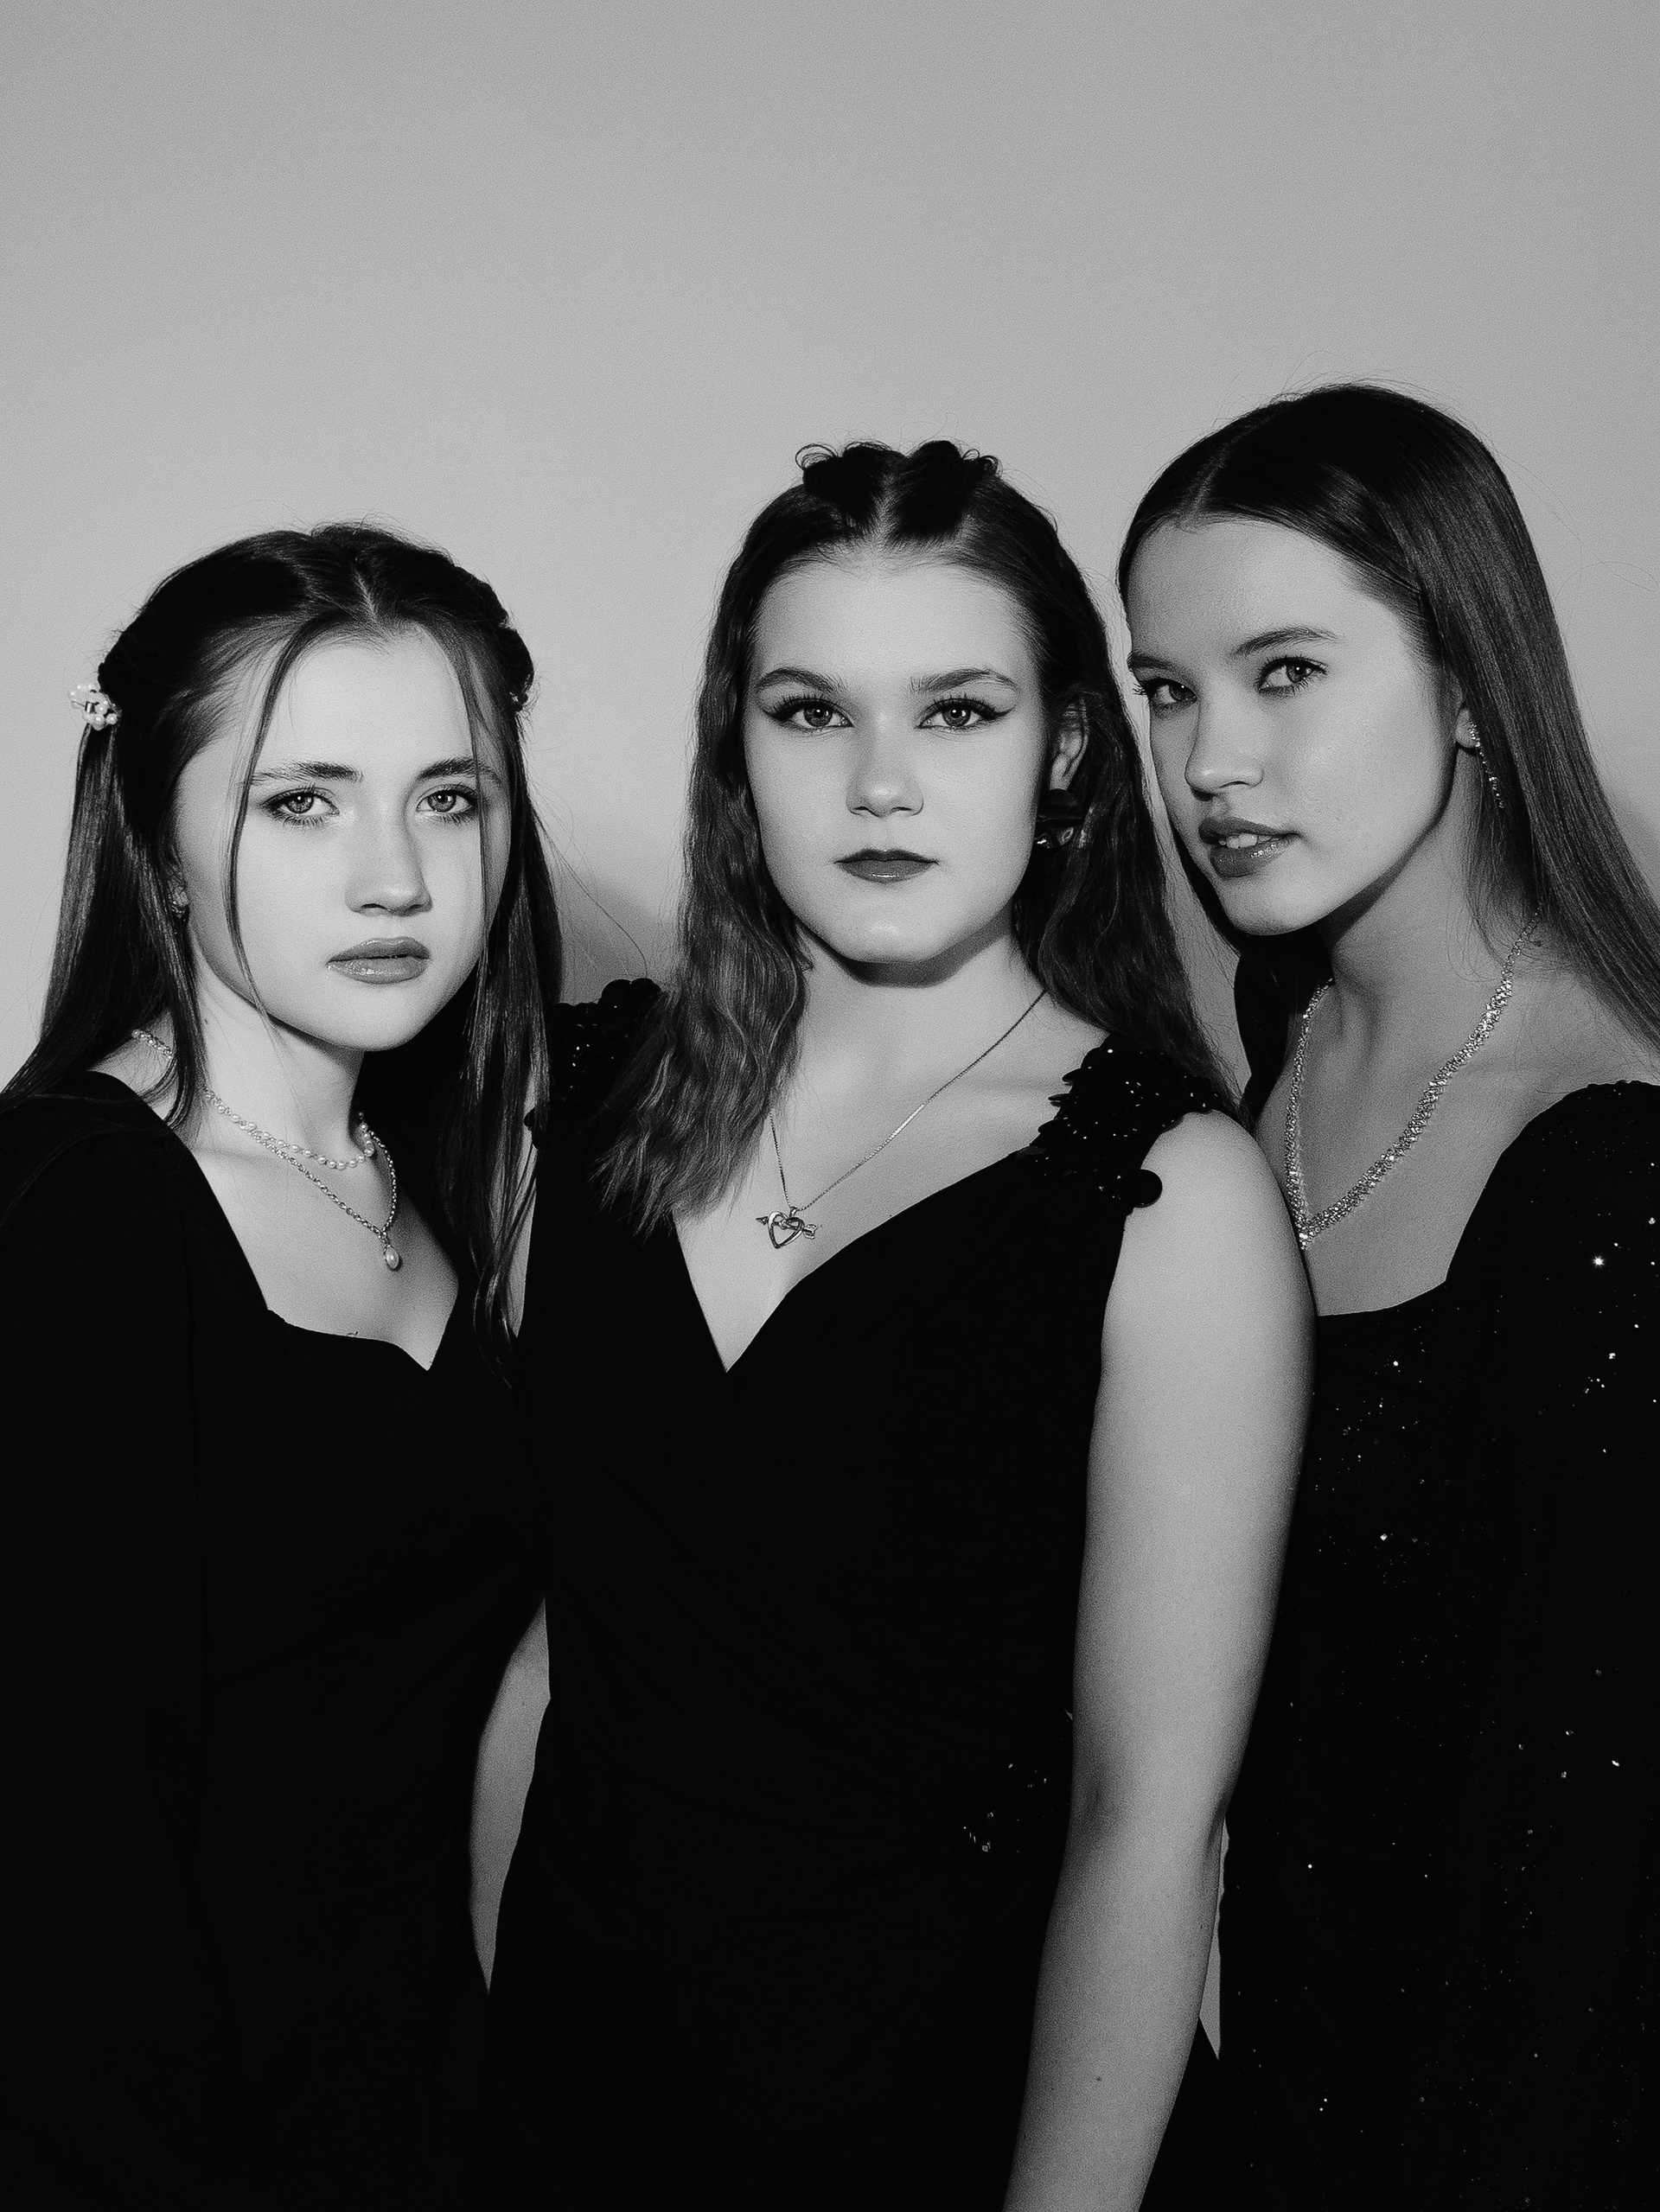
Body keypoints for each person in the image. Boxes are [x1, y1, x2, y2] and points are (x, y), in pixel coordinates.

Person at [486, 440, 1310, 2209]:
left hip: (937, 2123)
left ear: (1064, 749)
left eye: (956, 711)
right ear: (737, 749)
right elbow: (548, 1666)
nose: (879, 783)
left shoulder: (1166, 1198)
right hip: (567, 2110)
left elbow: (1149, 1823)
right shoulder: (590, 1100)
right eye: (810, 713)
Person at [1120, 383, 1659, 2206]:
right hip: (1263, 2080)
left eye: (1284, 672)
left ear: (1471, 679)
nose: (1212, 760)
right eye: (1167, 689)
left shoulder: (1609, 1174)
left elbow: (1582, 1891)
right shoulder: (1278, 1032)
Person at [4, 524, 561, 2203]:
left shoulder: (457, 1179)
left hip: (429, 2110)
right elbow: (62, 1871)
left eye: (450, 797)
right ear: (156, 838)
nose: (395, 877)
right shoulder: (75, 1208)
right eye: (300, 801)